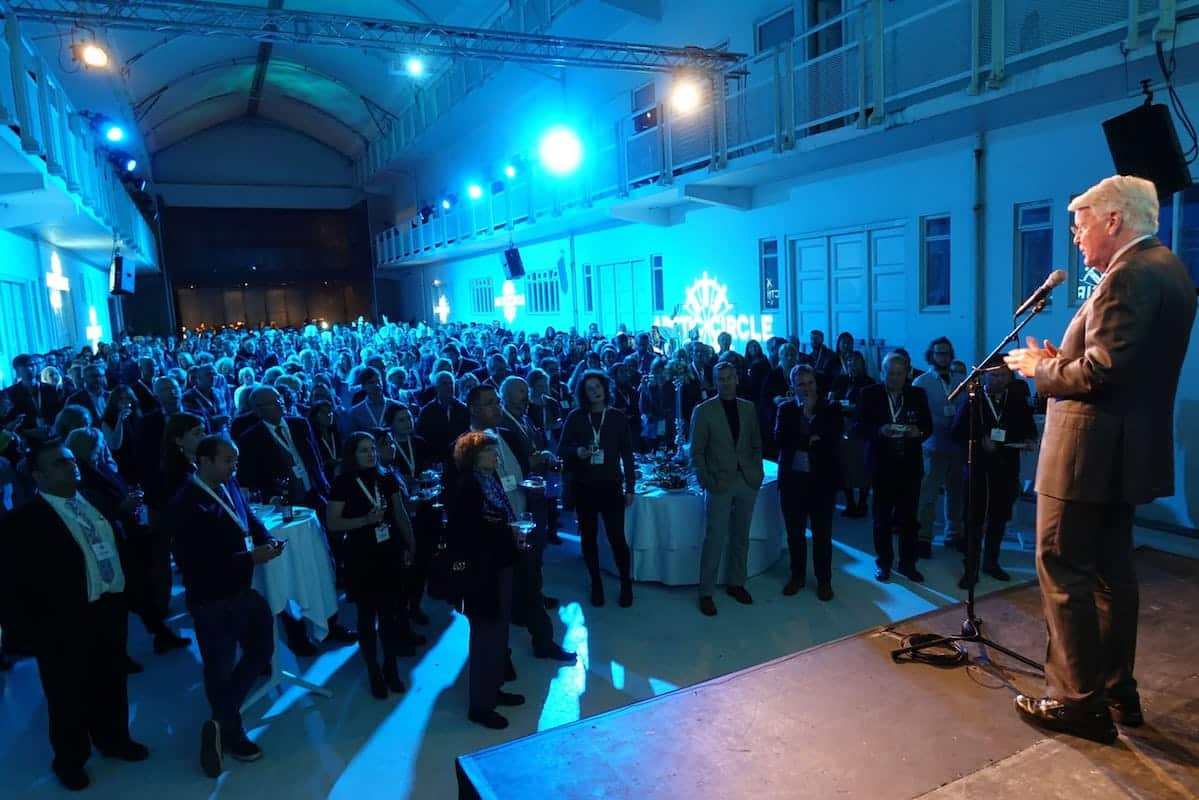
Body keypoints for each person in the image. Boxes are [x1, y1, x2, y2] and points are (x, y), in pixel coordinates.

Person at [1004, 175, 1196, 743]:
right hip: (1122, 453)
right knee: (1113, 576)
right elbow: (1118, 365)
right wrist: (1062, 359)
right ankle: (1116, 691)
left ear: (1114, 220)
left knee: (1062, 570)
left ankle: (1076, 701)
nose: (1075, 236)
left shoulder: (1128, 274)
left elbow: (1100, 373)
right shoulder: (1169, 269)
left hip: (1087, 454)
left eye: (1080, 223)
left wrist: (1038, 370)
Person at [0, 439, 149, 791]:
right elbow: (10, 584)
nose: (70, 465)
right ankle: (70, 759)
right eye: (59, 464)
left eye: (70, 460)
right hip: (60, 621)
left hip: (108, 608)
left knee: (112, 678)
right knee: (67, 694)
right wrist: (22, 634)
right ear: (38, 476)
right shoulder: (23, 521)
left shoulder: (96, 501)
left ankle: (114, 739)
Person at [169, 436, 280, 777]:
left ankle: (219, 719)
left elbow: (245, 518)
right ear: (204, 461)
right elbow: (196, 563)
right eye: (227, 460)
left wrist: (265, 539)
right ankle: (231, 733)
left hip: (241, 590)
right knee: (218, 666)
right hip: (211, 598)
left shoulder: (228, 485)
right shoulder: (186, 502)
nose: (234, 467)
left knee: (262, 650)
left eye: (235, 460)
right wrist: (249, 557)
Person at [68, 427, 191, 660]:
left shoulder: (99, 468)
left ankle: (158, 635)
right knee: (126, 597)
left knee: (137, 593)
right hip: (110, 543)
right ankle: (126, 651)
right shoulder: (82, 478)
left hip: (126, 537)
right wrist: (121, 507)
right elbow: (91, 512)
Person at [326, 432, 416, 699]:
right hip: (361, 554)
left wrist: (411, 545)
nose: (371, 454)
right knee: (367, 618)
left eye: (373, 449)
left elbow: (399, 513)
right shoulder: (343, 482)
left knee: (390, 615)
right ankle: (373, 671)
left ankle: (390, 667)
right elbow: (333, 522)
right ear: (352, 454)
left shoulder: (386, 477)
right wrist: (364, 521)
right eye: (364, 450)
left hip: (389, 551)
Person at [448, 431, 525, 730]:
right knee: (485, 636)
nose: (496, 457)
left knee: (498, 631)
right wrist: (504, 532)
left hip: (499, 564)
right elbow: (465, 533)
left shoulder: (488, 481)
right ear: (474, 457)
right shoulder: (467, 487)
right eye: (490, 453)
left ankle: (492, 690)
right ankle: (480, 705)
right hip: (481, 572)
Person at [690, 361, 765, 616]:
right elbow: (696, 451)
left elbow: (756, 443)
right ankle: (706, 592)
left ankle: (737, 583)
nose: (725, 382)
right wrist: (706, 479)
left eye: (729, 377)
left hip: (747, 480)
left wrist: (756, 470)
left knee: (741, 536)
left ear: (737, 379)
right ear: (714, 381)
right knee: (715, 538)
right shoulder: (703, 411)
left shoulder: (748, 408)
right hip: (719, 482)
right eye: (720, 378)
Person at [950, 366, 1035, 588]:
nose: (998, 379)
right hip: (978, 466)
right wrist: (979, 440)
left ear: (1010, 377)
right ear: (985, 376)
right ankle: (971, 568)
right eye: (994, 375)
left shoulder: (1016, 400)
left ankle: (991, 562)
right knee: (974, 519)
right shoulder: (973, 400)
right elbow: (957, 432)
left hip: (1006, 467)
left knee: (999, 517)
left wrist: (1028, 440)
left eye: (1004, 375)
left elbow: (1030, 430)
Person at [558, 370, 636, 608]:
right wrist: (578, 451)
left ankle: (626, 584)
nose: (595, 391)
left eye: (598, 386)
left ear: (605, 388)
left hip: (611, 486)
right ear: (584, 393)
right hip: (584, 487)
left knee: (617, 539)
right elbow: (562, 449)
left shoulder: (617, 417)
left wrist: (630, 487)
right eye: (590, 388)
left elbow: (628, 455)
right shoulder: (576, 417)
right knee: (588, 539)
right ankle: (596, 584)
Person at [856, 351, 932, 583]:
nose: (895, 378)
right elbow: (858, 427)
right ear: (882, 372)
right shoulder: (869, 394)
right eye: (890, 373)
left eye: (900, 373)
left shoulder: (917, 394)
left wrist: (918, 432)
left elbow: (928, 426)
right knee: (882, 519)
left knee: (909, 519)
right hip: (882, 465)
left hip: (909, 465)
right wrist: (879, 430)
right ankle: (884, 563)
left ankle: (908, 564)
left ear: (907, 373)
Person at [774, 365, 842, 601]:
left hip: (822, 481)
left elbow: (832, 439)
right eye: (800, 384)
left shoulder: (830, 408)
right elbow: (781, 440)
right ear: (792, 386)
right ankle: (797, 576)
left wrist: (802, 439)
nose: (806, 388)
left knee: (823, 534)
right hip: (793, 481)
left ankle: (824, 580)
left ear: (816, 383)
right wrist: (809, 438)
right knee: (795, 533)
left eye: (810, 382)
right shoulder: (785, 409)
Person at [913, 337, 966, 556]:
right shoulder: (921, 382)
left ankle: (953, 534)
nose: (942, 357)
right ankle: (924, 537)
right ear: (931, 355)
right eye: (938, 353)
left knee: (957, 493)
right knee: (928, 493)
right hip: (932, 445)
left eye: (946, 353)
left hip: (956, 446)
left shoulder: (962, 380)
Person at [829, 351, 875, 517]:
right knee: (845, 467)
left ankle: (862, 502)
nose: (852, 365)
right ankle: (850, 502)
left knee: (862, 468)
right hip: (842, 427)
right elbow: (831, 399)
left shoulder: (869, 383)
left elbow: (870, 407)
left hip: (861, 429)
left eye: (855, 362)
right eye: (849, 362)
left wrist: (854, 408)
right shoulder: (840, 380)